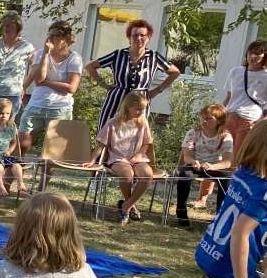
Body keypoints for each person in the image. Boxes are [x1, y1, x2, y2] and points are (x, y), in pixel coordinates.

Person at [193, 121, 267, 278]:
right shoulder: (263, 190)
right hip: (230, 263)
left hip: (213, 252)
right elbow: (240, 233)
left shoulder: (245, 173)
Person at [85, 18, 180, 130]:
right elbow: (90, 66)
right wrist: (104, 85)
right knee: (106, 133)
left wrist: (156, 91)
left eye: (142, 35)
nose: (139, 38)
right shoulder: (118, 55)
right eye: (135, 35)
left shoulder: (154, 57)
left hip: (140, 103)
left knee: (135, 137)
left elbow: (175, 72)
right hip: (116, 101)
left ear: (148, 37)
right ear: (129, 37)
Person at [88, 92, 155, 225]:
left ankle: (126, 205)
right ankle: (130, 206)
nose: (140, 112)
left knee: (147, 175)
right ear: (127, 107)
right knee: (127, 175)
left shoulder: (143, 122)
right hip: (118, 157)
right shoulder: (113, 122)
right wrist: (92, 160)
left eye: (143, 109)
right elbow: (101, 143)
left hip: (137, 157)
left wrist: (139, 155)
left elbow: (147, 143)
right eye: (137, 109)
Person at [19, 20, 82, 154]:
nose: (51, 39)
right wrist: (46, 54)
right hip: (37, 104)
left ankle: (45, 175)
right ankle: (19, 167)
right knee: (22, 142)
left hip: (60, 108)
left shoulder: (74, 58)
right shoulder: (41, 54)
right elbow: (39, 79)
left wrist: (47, 83)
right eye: (50, 35)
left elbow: (71, 88)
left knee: (54, 150)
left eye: (56, 36)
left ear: (65, 39)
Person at [175, 103, 235, 227]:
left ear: (219, 121)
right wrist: (192, 161)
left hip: (214, 167)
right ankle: (181, 210)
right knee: (185, 173)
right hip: (195, 165)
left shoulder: (225, 136)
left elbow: (227, 162)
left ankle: (220, 216)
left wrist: (213, 166)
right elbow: (187, 155)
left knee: (227, 178)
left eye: (208, 118)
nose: (204, 121)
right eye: (202, 117)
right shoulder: (193, 133)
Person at [222, 40, 266, 158]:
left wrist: (260, 123)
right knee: (222, 155)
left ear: (264, 56)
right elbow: (229, 96)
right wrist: (219, 113)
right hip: (230, 117)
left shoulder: (265, 76)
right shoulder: (235, 71)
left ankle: (233, 176)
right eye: (250, 53)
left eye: (257, 54)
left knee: (237, 156)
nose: (252, 56)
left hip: (249, 120)